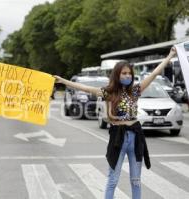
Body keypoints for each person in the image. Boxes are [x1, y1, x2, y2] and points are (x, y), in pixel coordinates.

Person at [54, 47, 177, 199]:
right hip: (118, 138)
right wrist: (62, 81)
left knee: (136, 180)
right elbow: (85, 88)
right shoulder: (109, 92)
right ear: (117, 75)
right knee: (113, 179)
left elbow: (154, 73)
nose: (127, 76)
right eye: (124, 73)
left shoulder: (135, 91)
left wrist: (170, 55)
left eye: (129, 74)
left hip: (136, 137)